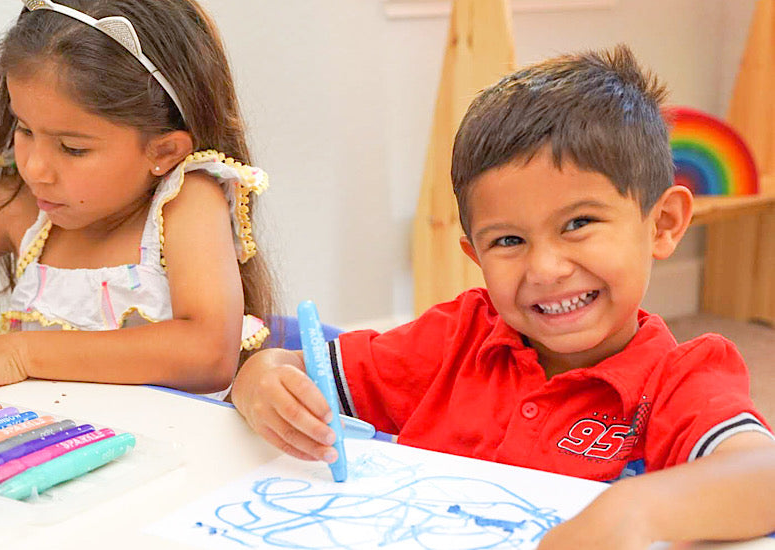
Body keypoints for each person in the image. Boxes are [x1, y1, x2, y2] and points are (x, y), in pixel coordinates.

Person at [231, 45, 775, 548]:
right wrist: (260, 378)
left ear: (664, 224)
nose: (545, 269)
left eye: (579, 223)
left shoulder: (680, 378)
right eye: (509, 241)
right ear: (476, 256)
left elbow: (763, 475)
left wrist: (634, 509)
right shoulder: (453, 338)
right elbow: (294, 371)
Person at [0, 0, 275, 401]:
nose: (35, 169)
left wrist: (20, 353)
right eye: (25, 129)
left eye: (72, 148)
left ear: (163, 152)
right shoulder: (24, 206)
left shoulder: (186, 202)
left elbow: (208, 353)